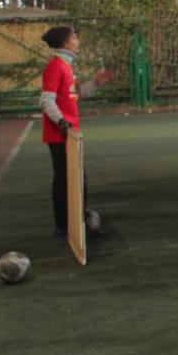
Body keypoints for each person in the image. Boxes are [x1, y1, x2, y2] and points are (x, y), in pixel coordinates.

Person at [40, 25, 110, 236]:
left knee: (74, 178)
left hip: (69, 134)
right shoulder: (56, 67)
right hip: (60, 134)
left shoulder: (66, 67)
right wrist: (61, 121)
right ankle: (65, 224)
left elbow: (76, 96)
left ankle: (74, 218)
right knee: (65, 180)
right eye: (74, 37)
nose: (78, 40)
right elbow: (46, 100)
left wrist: (96, 82)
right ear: (65, 43)